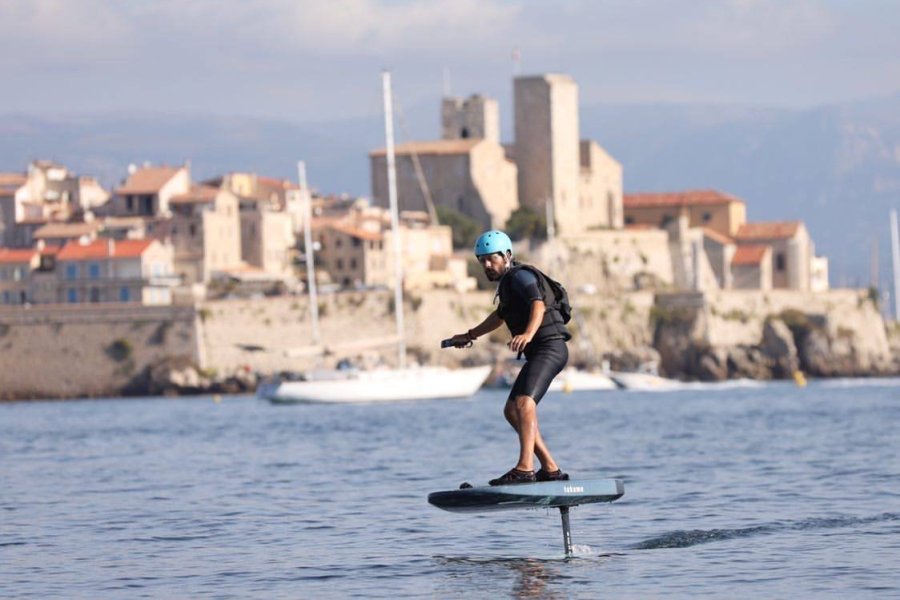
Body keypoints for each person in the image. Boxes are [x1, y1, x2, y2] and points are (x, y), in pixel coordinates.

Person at [447, 230, 571, 485]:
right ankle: (550, 468)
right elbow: (500, 316)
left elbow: (537, 303)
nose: (486, 265)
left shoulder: (520, 276)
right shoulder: (507, 285)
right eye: (481, 261)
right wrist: (469, 334)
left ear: (507, 255)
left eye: (491, 259)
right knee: (511, 410)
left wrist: (527, 333)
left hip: (550, 347)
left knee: (524, 404)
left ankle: (525, 468)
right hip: (540, 351)